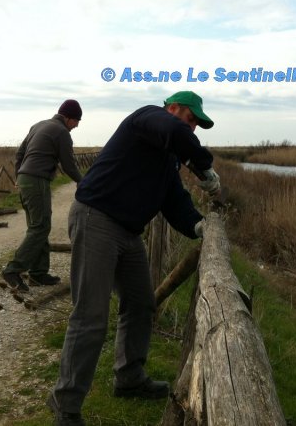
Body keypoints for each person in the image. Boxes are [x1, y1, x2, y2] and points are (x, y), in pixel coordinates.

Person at [48, 91, 220, 426]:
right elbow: (174, 132)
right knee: (91, 315)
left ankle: (128, 376)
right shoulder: (146, 119)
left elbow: (174, 200)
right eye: (191, 119)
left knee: (141, 302)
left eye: (197, 124)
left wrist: (199, 225)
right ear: (172, 108)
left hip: (127, 232)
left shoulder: (168, 156)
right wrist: (205, 168)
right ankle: (64, 402)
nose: (193, 128)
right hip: (96, 218)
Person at [1, 99, 84, 293]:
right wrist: (83, 181)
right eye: (77, 121)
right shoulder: (62, 132)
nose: (77, 125)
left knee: (38, 226)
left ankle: (38, 274)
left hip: (25, 179)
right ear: (68, 118)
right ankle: (12, 270)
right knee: (40, 226)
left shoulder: (38, 125)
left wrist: (18, 176)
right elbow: (68, 163)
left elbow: (19, 153)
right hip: (37, 180)